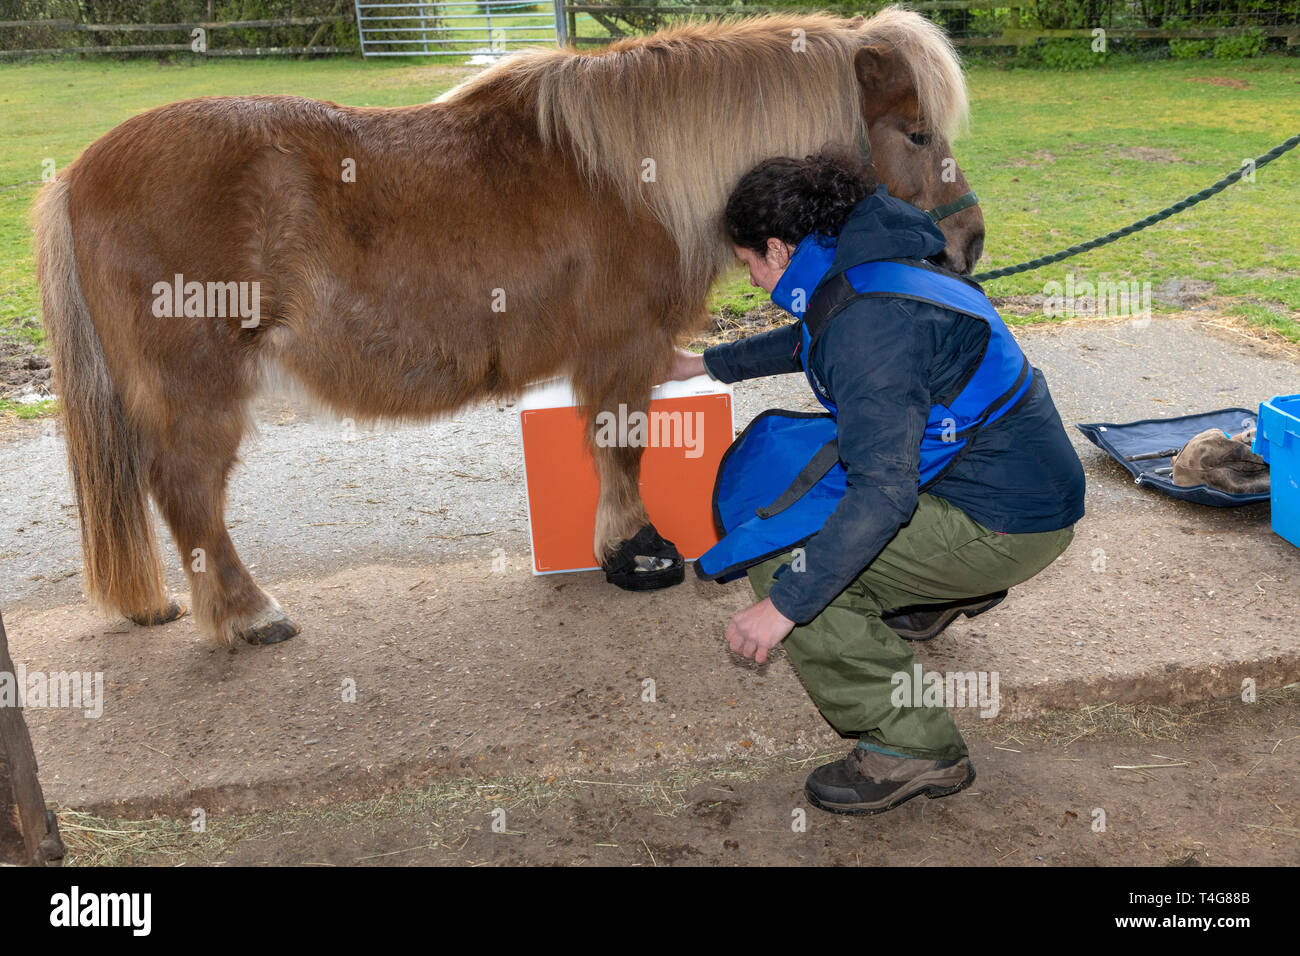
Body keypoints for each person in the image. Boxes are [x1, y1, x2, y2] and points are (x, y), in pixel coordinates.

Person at [666, 152, 1086, 815]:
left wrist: (786, 606)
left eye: (748, 262)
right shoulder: (868, 256)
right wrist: (705, 365)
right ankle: (923, 598)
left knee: (785, 560)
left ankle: (913, 745)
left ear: (779, 248)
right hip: (1004, 476)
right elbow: (811, 336)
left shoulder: (868, 325)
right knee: (815, 483)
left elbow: (883, 494)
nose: (750, 278)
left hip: (1004, 520)